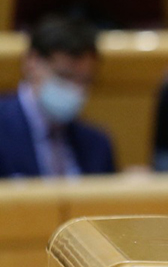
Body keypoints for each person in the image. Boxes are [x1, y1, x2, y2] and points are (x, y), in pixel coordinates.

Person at [0, 17, 116, 178]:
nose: (76, 90)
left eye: (85, 81)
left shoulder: (96, 143)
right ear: (32, 63)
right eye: (64, 77)